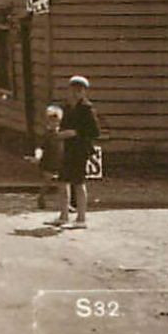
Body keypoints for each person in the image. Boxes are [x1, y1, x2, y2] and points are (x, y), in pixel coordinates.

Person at [52, 75, 102, 228]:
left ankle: (81, 218)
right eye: (73, 90)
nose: (75, 94)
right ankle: (64, 215)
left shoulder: (87, 109)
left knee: (78, 183)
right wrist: (59, 133)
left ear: (84, 92)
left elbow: (95, 132)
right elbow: (63, 126)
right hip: (67, 148)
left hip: (80, 149)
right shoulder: (66, 108)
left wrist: (75, 133)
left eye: (79, 91)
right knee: (62, 181)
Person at [33, 104, 66, 211]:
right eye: (51, 121)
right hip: (48, 160)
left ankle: (65, 204)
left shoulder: (62, 134)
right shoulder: (46, 135)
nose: (54, 124)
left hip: (60, 160)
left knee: (63, 183)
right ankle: (41, 197)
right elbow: (40, 147)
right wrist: (38, 156)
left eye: (56, 121)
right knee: (47, 181)